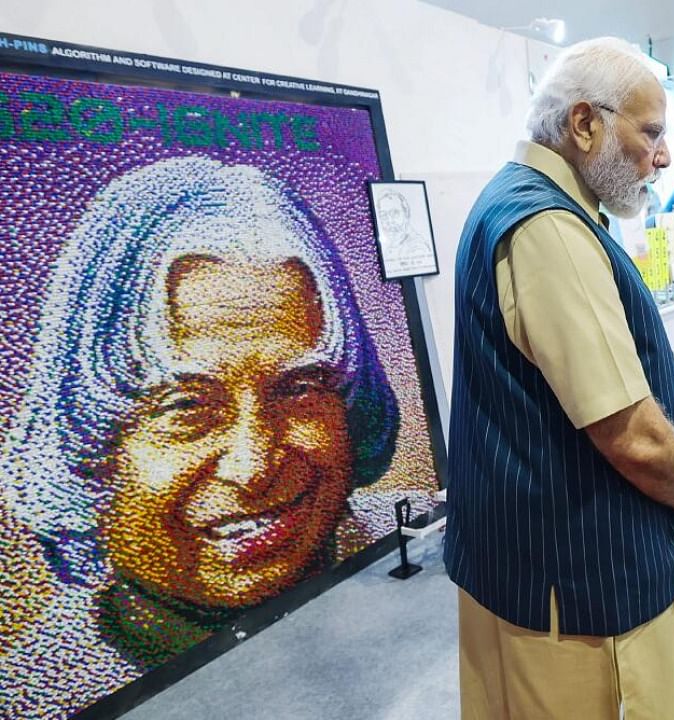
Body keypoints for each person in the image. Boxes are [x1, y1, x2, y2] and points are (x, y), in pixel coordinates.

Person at [0, 156, 400, 710]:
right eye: (188, 405)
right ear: (88, 442)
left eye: (298, 387)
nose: (254, 462)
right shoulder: (41, 693)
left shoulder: (425, 539)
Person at [445, 37, 674, 719]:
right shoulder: (548, 227)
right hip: (583, 588)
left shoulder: (517, 201)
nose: (662, 156)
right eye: (651, 132)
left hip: (530, 569)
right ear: (585, 124)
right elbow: (630, 432)